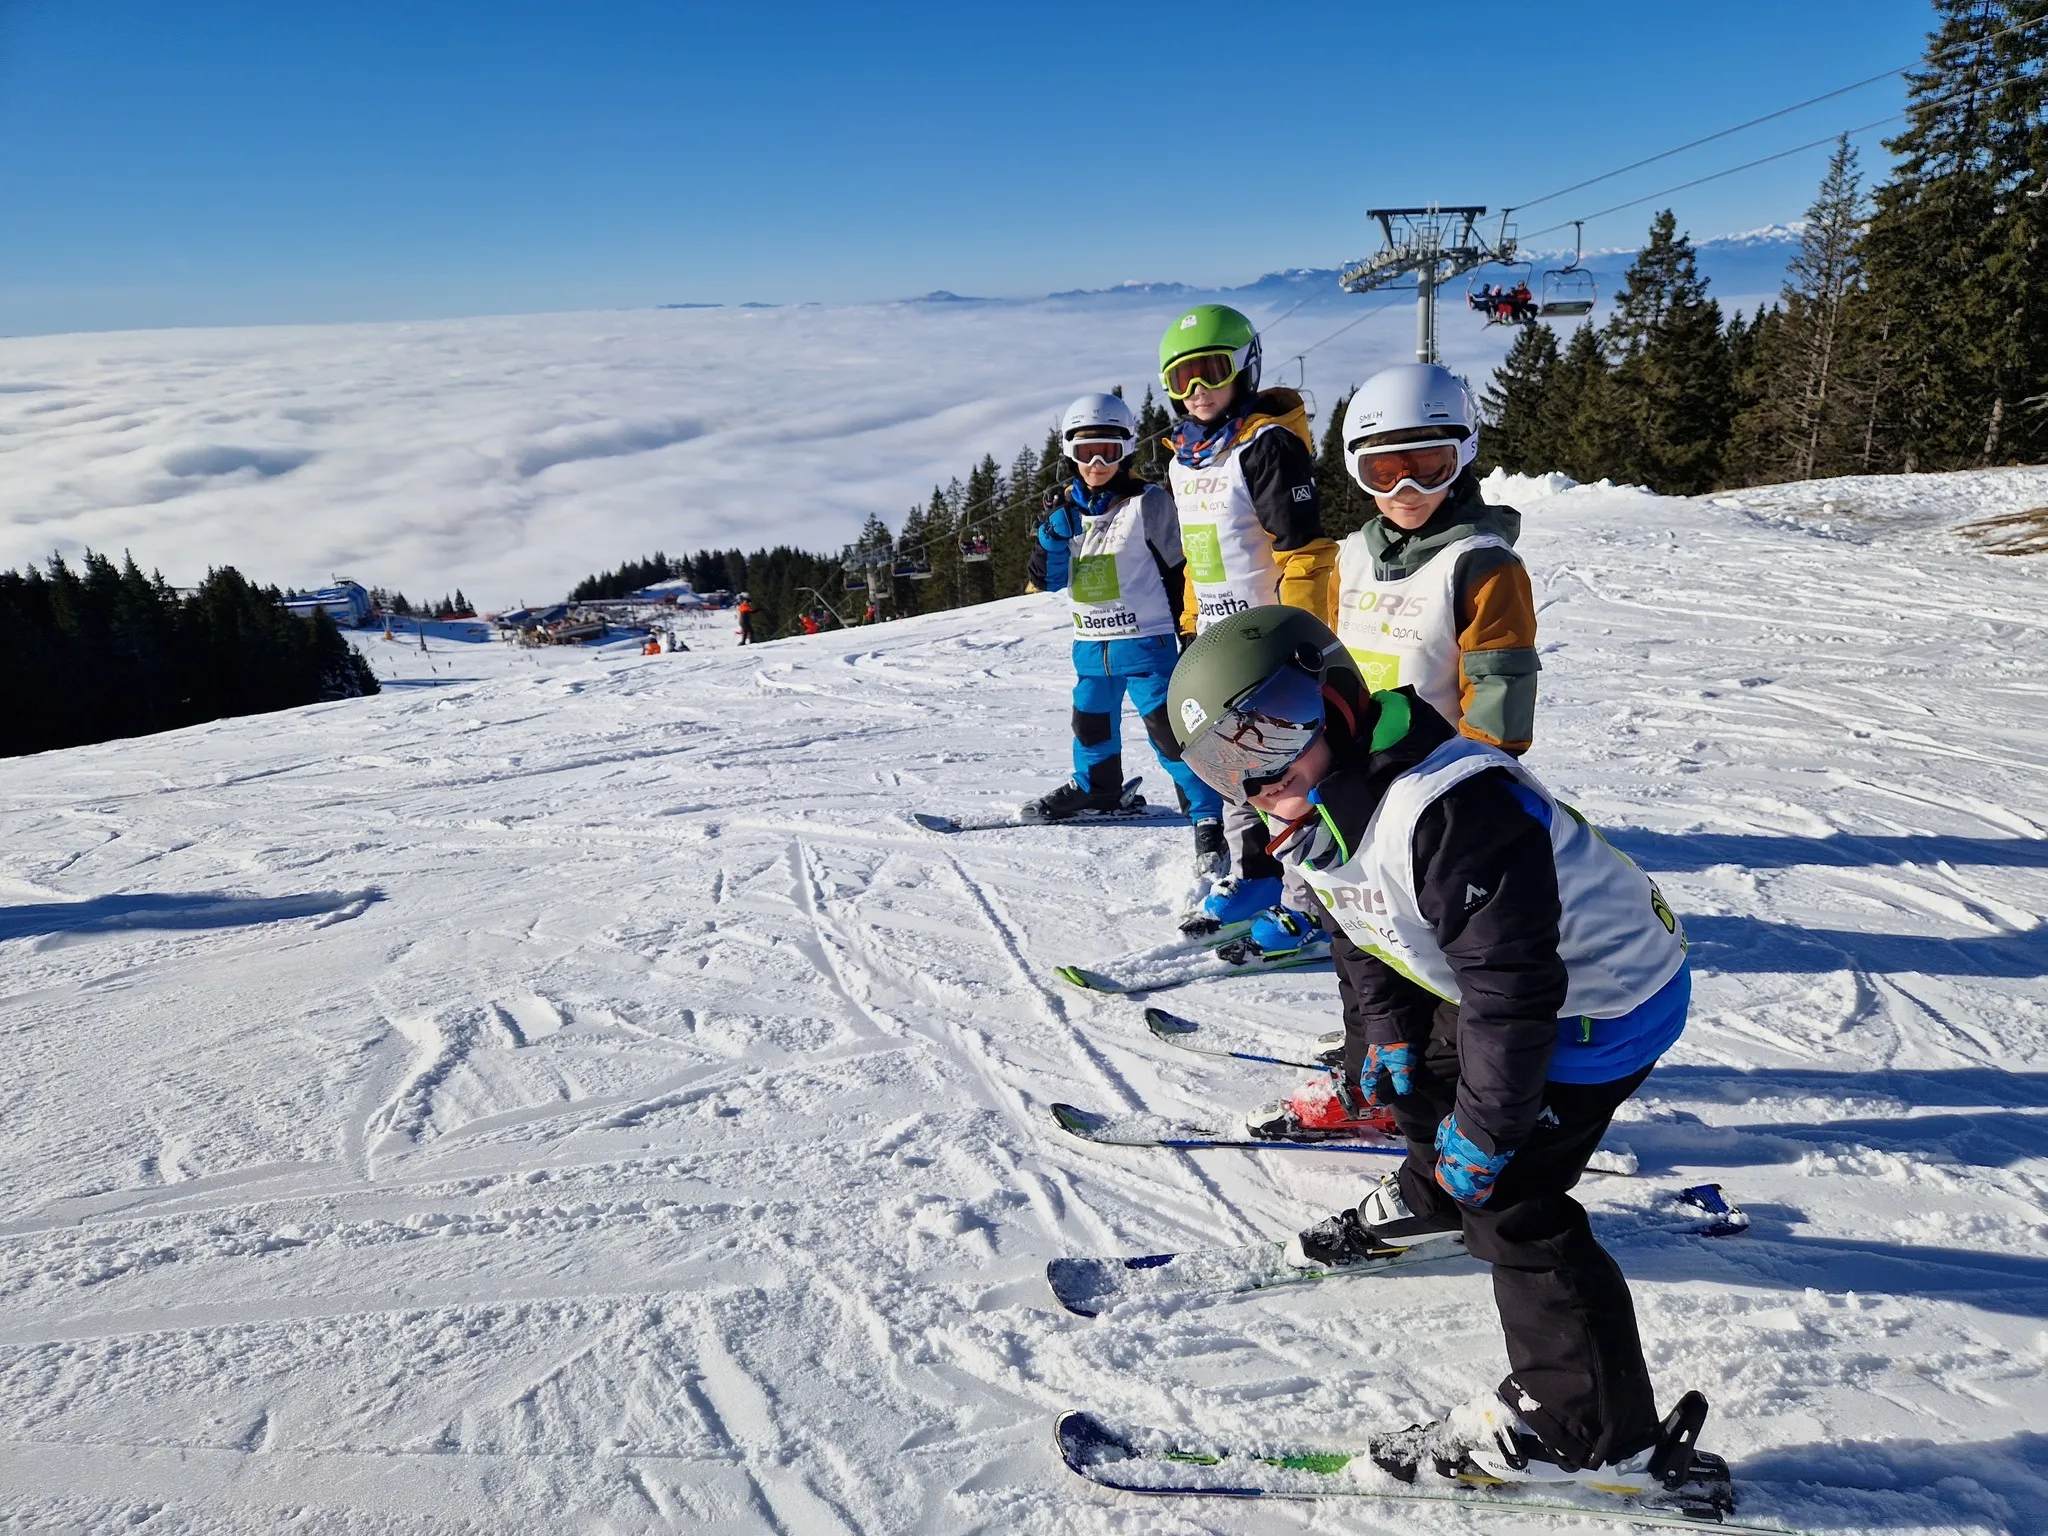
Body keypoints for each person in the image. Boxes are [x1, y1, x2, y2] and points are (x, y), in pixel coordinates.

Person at [1166, 604, 1704, 1500]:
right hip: (1507, 998)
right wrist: (1383, 1033)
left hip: (1602, 1008)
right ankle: (1432, 1194)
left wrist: (1490, 1134)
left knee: (1514, 1197)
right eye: (1225, 764)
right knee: (1414, 1074)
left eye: (1268, 736)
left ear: (1335, 700)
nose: (1253, 779)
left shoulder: (1450, 809)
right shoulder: (1323, 809)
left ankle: (1593, 1432)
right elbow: (1359, 928)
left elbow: (1513, 989)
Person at [1157, 303, 1337, 941]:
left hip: (1273, 640)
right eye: (1181, 380)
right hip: (1216, 640)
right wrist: (1189, 627)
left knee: (1291, 771)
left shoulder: (1265, 444)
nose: (1197, 391)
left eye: (1210, 371)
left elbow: (1304, 550)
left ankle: (1309, 902)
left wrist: (1304, 637)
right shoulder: (1185, 457)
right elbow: (1195, 558)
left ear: (1245, 366)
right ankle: (1255, 876)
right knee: (1234, 766)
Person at [1025, 393, 1226, 865]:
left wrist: (1189, 627)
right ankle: (1098, 790)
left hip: (1148, 642)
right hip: (1091, 646)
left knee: (1170, 732)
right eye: (1086, 452)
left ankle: (1207, 812)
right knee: (1090, 726)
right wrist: (1050, 538)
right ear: (1069, 453)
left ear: (1127, 451)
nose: (1097, 463)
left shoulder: (1148, 503)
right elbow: (1047, 580)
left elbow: (1182, 568)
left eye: (1109, 452)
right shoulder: (1064, 510)